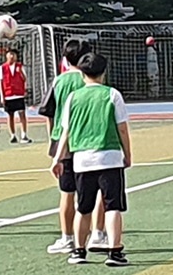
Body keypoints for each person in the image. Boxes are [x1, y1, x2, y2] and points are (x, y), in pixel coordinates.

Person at [51, 53, 132, 267]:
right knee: (113, 206)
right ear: (103, 72)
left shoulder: (73, 97)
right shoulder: (112, 95)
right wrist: (128, 154)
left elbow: (65, 132)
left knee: (83, 207)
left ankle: (79, 250)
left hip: (82, 160)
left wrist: (58, 158)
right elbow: (122, 129)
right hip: (109, 157)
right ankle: (114, 251)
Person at [44, 40, 108, 254]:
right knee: (98, 191)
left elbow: (49, 113)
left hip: (62, 143)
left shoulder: (59, 81)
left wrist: (53, 140)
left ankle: (67, 238)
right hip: (89, 140)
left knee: (67, 193)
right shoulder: (89, 80)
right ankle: (98, 233)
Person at [0, 49, 32, 144]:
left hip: (19, 94)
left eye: (14, 54)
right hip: (8, 95)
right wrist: (2, 96)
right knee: (10, 115)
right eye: (10, 54)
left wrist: (20, 72)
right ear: (7, 56)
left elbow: (24, 79)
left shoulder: (20, 67)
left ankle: (24, 135)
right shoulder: (2, 68)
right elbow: (0, 82)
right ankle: (13, 135)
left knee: (22, 115)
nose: (12, 56)